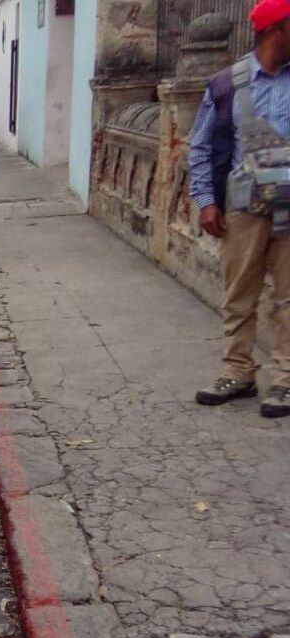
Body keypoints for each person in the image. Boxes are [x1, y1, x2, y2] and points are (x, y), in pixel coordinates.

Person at [188, 0, 290, 418]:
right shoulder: (227, 83)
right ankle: (238, 371)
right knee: (238, 294)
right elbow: (201, 144)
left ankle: (285, 381)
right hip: (244, 206)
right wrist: (207, 200)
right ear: (275, 30)